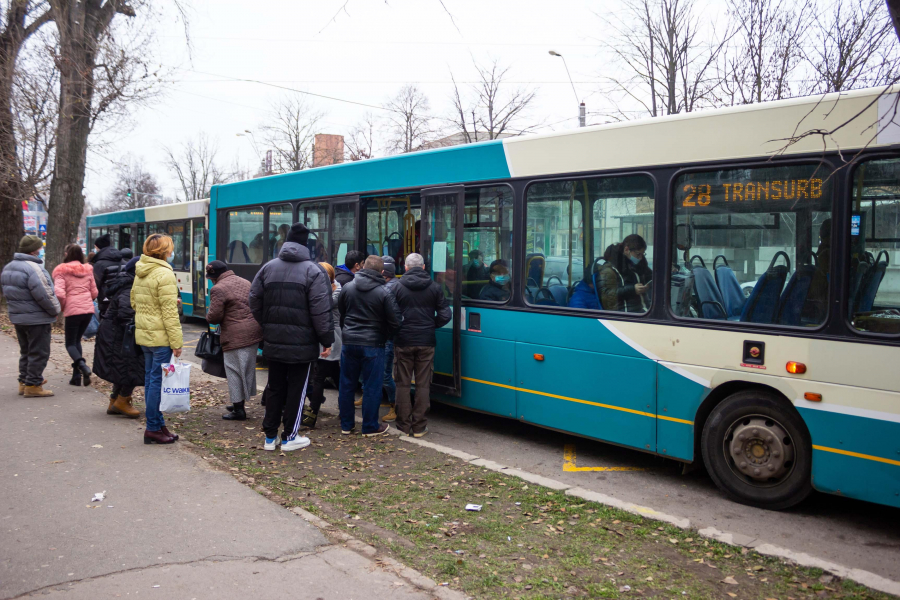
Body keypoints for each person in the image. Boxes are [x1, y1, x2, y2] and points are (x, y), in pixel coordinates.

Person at [250, 223, 334, 452]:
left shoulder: (267, 268)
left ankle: (269, 438)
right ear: (306, 245)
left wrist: (267, 325)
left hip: (273, 340)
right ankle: (289, 437)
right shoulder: (314, 271)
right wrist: (326, 340)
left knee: (275, 386)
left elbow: (254, 300)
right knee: (297, 388)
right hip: (302, 344)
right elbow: (321, 310)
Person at [337, 255, 400, 437]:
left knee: (346, 385)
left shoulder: (347, 287)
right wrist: (384, 335)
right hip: (374, 343)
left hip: (349, 342)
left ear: (363, 267)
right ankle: (370, 426)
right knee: (372, 386)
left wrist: (347, 331)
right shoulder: (384, 292)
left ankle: (346, 425)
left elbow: (343, 312)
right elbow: (395, 322)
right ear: (381, 272)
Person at [131, 233, 184, 445]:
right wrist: (177, 343)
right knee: (156, 383)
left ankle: (159, 424)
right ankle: (152, 428)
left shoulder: (141, 270)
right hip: (161, 337)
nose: (172, 252)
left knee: (150, 380)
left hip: (144, 335)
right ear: (164, 251)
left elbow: (134, 302)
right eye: (170, 248)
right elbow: (170, 313)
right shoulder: (164, 274)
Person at [392, 253, 451, 437]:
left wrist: (398, 329)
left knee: (402, 384)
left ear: (406, 268)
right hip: (426, 341)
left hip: (403, 341)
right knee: (423, 384)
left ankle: (403, 425)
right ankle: (419, 426)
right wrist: (430, 325)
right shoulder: (434, 287)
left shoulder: (396, 287)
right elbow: (446, 314)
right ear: (424, 267)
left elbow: (390, 314)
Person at [1, 235, 60, 397]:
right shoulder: (34, 268)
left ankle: (24, 381)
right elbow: (45, 294)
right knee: (39, 351)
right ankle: (33, 384)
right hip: (37, 318)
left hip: (18, 317)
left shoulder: (8, 267)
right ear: (35, 250)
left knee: (26, 350)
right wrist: (55, 310)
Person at [206, 260, 263, 421]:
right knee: (246, 369)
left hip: (235, 335)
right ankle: (239, 403)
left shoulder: (218, 288)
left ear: (214, 276)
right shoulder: (245, 281)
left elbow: (214, 316)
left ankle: (239, 410)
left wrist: (208, 316)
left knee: (234, 371)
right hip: (253, 332)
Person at [93, 255, 142, 418]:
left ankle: (114, 401)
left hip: (113, 333)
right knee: (131, 367)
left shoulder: (125, 283)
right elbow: (126, 314)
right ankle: (122, 400)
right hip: (118, 334)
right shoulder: (130, 288)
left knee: (122, 368)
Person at [302, 262, 342, 429]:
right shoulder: (336, 289)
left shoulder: (334, 293)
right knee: (337, 376)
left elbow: (321, 307)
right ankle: (345, 411)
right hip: (330, 337)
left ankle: (312, 415)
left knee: (320, 377)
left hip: (330, 338)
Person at [52, 243, 98, 386]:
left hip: (73, 310)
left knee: (70, 343)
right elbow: (94, 292)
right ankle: (76, 377)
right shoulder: (88, 270)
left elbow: (59, 293)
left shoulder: (61, 270)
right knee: (77, 341)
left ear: (67, 254)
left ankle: (82, 365)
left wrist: (62, 307)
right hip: (88, 310)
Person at [599, 235, 652, 312]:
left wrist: (648, 285)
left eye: (643, 254)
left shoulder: (638, 264)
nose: (640, 258)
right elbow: (607, 295)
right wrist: (633, 289)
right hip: (626, 312)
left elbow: (650, 276)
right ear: (627, 250)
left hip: (643, 308)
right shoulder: (610, 268)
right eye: (638, 254)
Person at [381, 256, 399, 422]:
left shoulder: (388, 289)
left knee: (386, 373)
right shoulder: (392, 285)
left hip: (387, 336)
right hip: (387, 335)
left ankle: (394, 406)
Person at [90, 233, 123, 310]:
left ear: (99, 247)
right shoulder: (122, 260)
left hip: (105, 300)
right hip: (122, 298)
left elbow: (95, 284)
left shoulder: (99, 264)